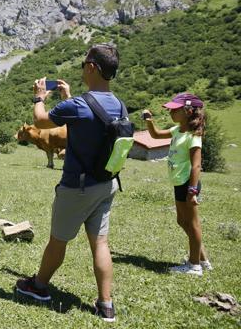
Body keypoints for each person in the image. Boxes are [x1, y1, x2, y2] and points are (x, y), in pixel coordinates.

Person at [15, 44, 123, 323]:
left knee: (57, 241)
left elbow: (40, 120)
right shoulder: (119, 105)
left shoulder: (78, 106)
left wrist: (40, 96)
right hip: (106, 184)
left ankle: (38, 287)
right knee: (100, 243)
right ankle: (106, 305)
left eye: (84, 62)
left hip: (78, 187)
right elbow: (91, 123)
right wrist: (68, 96)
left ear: (92, 67)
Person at [142, 93, 211, 276]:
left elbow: (196, 165)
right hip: (179, 182)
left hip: (187, 184)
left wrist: (193, 190)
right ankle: (203, 259)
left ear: (188, 111)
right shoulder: (177, 130)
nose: (171, 112)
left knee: (192, 223)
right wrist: (149, 120)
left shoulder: (193, 135)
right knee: (182, 220)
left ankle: (194, 265)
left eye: (175, 109)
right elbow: (156, 135)